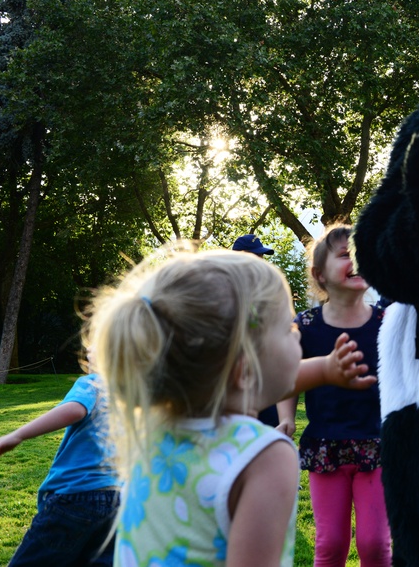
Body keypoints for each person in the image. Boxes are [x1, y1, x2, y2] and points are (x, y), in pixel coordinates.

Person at [88, 245, 375, 567]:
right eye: (287, 328)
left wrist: (324, 370)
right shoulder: (264, 456)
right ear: (245, 368)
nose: (297, 337)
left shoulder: (154, 432)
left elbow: (253, 387)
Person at [279, 225, 391, 567]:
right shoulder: (306, 325)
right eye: (346, 256)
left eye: (361, 255)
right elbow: (288, 375)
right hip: (326, 448)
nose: (357, 261)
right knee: (330, 544)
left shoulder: (388, 323)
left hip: (378, 446)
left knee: (374, 543)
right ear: (319, 275)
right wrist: (286, 417)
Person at [0, 350, 119, 566]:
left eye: (95, 343)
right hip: (119, 501)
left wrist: (17, 435)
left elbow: (75, 410)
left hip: (75, 497)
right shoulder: (135, 395)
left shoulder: (94, 383)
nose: (88, 350)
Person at [231, 232, 292, 433]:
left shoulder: (270, 295)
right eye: (255, 258)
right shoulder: (225, 294)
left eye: (262, 258)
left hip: (266, 385)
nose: (261, 263)